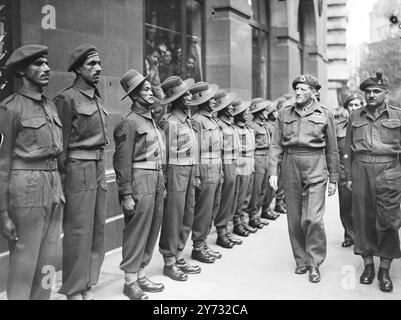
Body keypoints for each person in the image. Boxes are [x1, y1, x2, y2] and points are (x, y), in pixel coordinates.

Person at [0, 44, 64, 299]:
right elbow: (2, 164)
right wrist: (3, 212)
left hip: (53, 185)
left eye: (46, 62)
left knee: (48, 257)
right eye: (38, 64)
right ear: (22, 71)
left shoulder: (50, 106)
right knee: (25, 260)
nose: (46, 68)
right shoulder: (10, 108)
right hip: (25, 187)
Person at [269, 74, 339, 283]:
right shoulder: (284, 113)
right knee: (294, 218)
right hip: (291, 165)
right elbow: (275, 144)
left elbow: (333, 149)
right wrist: (273, 170)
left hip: (316, 165)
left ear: (313, 92)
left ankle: (314, 262)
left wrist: (334, 178)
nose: (298, 93)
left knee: (313, 218)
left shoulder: (325, 114)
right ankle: (301, 260)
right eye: (296, 89)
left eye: (303, 89)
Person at [54, 44, 108, 300]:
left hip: (97, 168)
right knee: (78, 231)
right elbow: (60, 147)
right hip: (78, 169)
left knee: (96, 229)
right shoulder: (66, 99)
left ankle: (86, 283)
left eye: (98, 64)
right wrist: (62, 183)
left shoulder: (95, 97)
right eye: (91, 64)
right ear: (77, 69)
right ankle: (73, 289)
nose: (97, 68)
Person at [344, 72, 401, 293]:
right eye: (368, 91)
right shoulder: (355, 116)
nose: (371, 95)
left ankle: (384, 268)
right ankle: (368, 265)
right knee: (362, 218)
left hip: (389, 171)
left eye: (376, 91)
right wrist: (348, 176)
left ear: (386, 93)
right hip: (360, 171)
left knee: (388, 221)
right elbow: (347, 149)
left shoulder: (397, 115)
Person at [113, 69, 166, 300]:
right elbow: (122, 161)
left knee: (153, 227)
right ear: (134, 96)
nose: (151, 91)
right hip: (139, 179)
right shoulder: (130, 123)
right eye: (145, 89)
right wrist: (126, 194)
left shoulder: (150, 120)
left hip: (156, 179)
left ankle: (141, 273)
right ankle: (130, 281)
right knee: (136, 230)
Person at [158, 76, 201, 281]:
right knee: (173, 216)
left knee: (188, 214)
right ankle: (169, 260)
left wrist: (197, 173)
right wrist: (164, 182)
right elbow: (163, 155)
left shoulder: (188, 121)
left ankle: (179, 254)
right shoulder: (170, 122)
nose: (190, 96)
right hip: (175, 172)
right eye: (186, 94)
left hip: (190, 171)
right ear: (176, 98)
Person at [189, 82, 223, 263]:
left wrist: (221, 170)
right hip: (205, 167)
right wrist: (197, 174)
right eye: (210, 99)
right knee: (203, 209)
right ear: (202, 101)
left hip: (216, 166)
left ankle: (204, 243)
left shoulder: (212, 119)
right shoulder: (197, 120)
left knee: (213, 206)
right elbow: (194, 149)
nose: (214, 101)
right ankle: (198, 246)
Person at [214, 90, 243, 248]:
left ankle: (226, 230)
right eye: (227, 106)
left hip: (234, 161)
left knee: (232, 197)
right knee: (224, 199)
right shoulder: (219, 124)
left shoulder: (229, 124)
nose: (231, 108)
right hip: (224, 162)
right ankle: (221, 232)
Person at [336, 93, 364, 248]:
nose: (353, 108)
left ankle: (362, 236)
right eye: (351, 105)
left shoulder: (367, 125)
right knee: (346, 207)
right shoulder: (338, 127)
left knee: (362, 207)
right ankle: (349, 235)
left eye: (357, 105)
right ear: (346, 108)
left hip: (362, 172)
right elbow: (333, 151)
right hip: (343, 173)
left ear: (362, 106)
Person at [246, 100, 276, 229]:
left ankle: (257, 215)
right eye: (264, 110)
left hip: (266, 158)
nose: (266, 112)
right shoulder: (253, 126)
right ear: (258, 113)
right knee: (256, 189)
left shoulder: (264, 126)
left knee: (264, 188)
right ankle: (252, 217)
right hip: (257, 158)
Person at [232, 99, 256, 236]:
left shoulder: (248, 128)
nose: (247, 114)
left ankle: (242, 220)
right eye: (244, 112)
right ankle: (236, 222)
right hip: (240, 161)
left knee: (247, 193)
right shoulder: (234, 129)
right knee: (239, 195)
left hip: (250, 161)